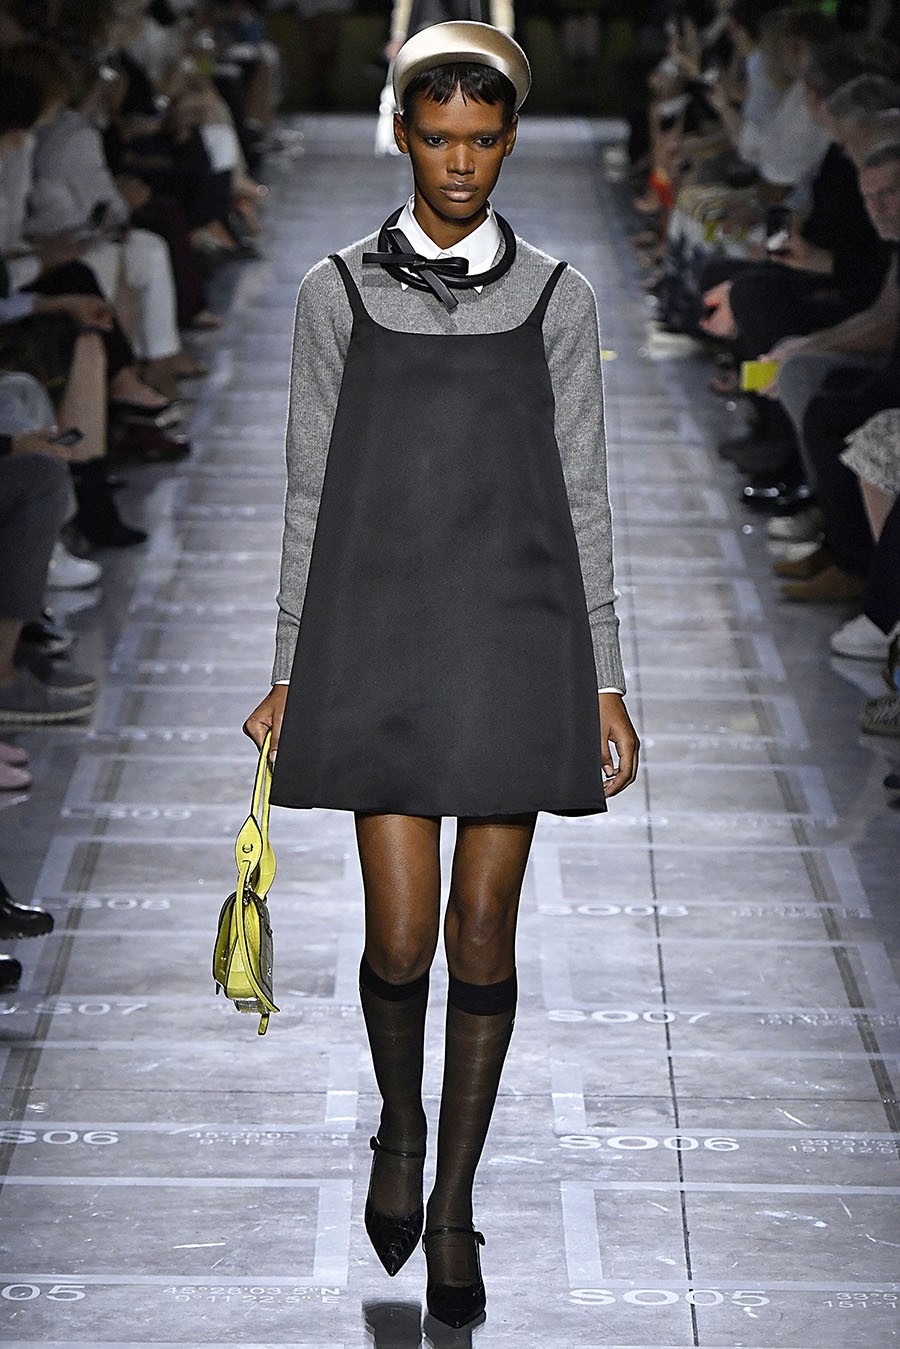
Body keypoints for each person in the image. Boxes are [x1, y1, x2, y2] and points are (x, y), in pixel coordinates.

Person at [243, 20, 639, 1330]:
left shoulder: (561, 297)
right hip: (381, 641)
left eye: (481, 140)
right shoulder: (334, 293)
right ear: (403, 137)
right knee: (401, 934)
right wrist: (291, 667)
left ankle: (456, 1199)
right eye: (437, 138)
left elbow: (586, 494)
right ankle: (401, 1125)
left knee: (482, 930)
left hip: (518, 639)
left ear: (508, 141)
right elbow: (309, 492)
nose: (460, 163)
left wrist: (605, 681)